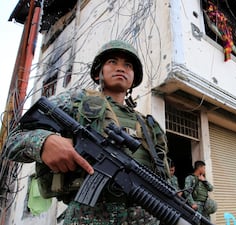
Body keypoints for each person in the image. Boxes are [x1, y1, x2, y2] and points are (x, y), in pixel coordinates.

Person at [3, 40, 170, 225]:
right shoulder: (77, 101)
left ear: (134, 77)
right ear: (99, 73)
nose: (121, 68)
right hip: (89, 217)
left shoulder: (149, 126)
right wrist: (44, 142)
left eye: (128, 65)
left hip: (146, 218)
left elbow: (165, 176)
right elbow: (13, 138)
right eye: (112, 62)